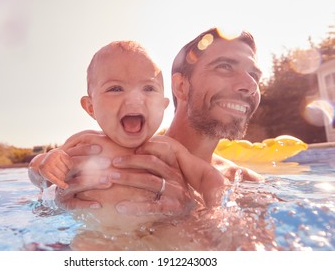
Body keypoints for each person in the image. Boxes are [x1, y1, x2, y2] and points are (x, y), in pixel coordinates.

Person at [29, 27, 263, 225]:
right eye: (225, 67)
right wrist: (47, 183)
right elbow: (41, 178)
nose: (250, 85)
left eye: (254, 75)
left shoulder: (248, 183)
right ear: (180, 86)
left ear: (161, 103)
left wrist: (200, 212)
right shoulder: (85, 147)